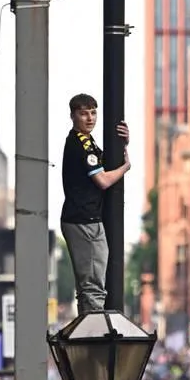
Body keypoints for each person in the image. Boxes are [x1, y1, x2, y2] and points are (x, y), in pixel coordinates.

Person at [60, 93, 130, 314]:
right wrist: (126, 167)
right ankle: (93, 340)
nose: (90, 118)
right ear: (73, 116)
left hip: (80, 219)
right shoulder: (82, 144)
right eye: (83, 113)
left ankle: (87, 336)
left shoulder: (84, 141)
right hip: (85, 222)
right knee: (93, 288)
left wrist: (123, 143)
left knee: (88, 288)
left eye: (93, 112)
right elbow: (102, 180)